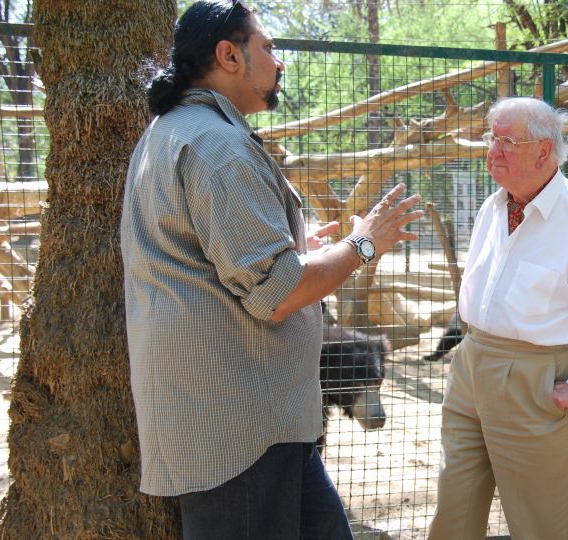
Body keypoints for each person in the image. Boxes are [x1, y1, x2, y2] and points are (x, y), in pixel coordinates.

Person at [120, 2, 423, 538]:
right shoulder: (219, 146)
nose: (278, 61)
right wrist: (364, 244)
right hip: (242, 429)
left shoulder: (175, 131)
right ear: (229, 55)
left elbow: (212, 255)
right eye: (268, 46)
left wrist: (292, 245)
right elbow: (279, 293)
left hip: (256, 423)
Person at [428, 97, 568, 540]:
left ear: (544, 151)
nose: (493, 151)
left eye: (507, 141)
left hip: (535, 380)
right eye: (492, 139)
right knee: (455, 504)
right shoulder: (494, 207)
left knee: (540, 520)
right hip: (472, 365)